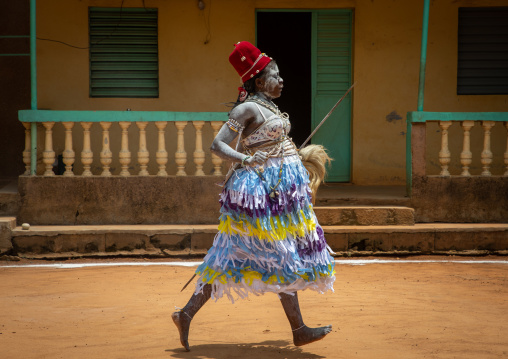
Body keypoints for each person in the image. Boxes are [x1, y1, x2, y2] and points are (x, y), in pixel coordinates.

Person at [172, 41, 335, 351]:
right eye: (276, 75)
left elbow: (276, 145)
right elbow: (217, 145)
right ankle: (187, 312)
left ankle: (187, 313)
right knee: (272, 254)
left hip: (281, 193)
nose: (282, 80)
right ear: (259, 81)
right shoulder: (246, 108)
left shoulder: (271, 107)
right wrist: (245, 159)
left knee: (277, 255)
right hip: (257, 193)